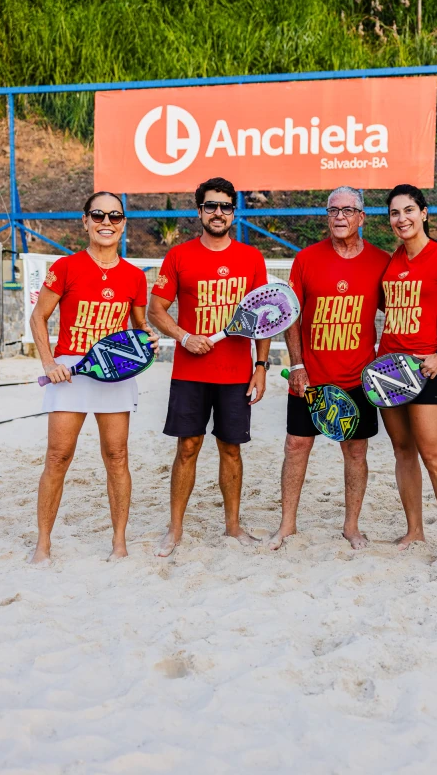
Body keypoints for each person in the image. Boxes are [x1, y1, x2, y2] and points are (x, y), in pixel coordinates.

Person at [29, 191, 158, 565]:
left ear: (123, 224)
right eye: (98, 215)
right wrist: (49, 362)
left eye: (114, 216)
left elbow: (139, 327)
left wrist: (148, 337)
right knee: (58, 457)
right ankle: (43, 545)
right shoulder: (65, 267)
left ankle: (119, 543)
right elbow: (38, 317)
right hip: (69, 372)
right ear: (85, 220)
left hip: (114, 371)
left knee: (117, 456)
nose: (106, 222)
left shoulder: (134, 276)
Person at [148, 176, 270, 556]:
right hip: (190, 373)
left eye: (225, 207)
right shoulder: (179, 256)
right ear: (199, 211)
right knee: (188, 447)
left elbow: (264, 317)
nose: (219, 213)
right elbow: (155, 310)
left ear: (234, 212)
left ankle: (233, 527)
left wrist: (261, 366)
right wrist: (184, 336)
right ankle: (175, 529)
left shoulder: (251, 258)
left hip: (235, 373)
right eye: (211, 206)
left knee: (231, 450)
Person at [269, 186, 391, 550]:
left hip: (358, 379)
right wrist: (297, 365)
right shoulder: (306, 259)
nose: (340, 216)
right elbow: (291, 316)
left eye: (348, 210)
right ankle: (287, 525)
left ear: (361, 217)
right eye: (333, 210)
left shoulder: (380, 261)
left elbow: (399, 310)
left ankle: (351, 527)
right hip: (310, 378)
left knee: (355, 452)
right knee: (296, 446)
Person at [378, 184, 437, 563]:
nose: (402, 219)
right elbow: (387, 307)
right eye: (395, 213)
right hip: (387, 369)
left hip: (426, 367)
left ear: (424, 213)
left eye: (409, 210)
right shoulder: (391, 261)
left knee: (434, 457)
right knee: (403, 452)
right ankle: (414, 530)